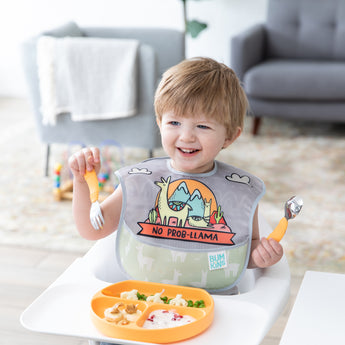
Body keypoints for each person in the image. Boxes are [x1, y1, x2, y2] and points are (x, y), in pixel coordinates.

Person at [69, 57, 283, 295]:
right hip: (145, 300)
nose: (186, 136)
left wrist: (260, 255)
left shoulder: (238, 191)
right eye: (174, 122)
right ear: (160, 123)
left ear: (230, 136)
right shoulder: (140, 181)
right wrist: (81, 181)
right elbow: (91, 229)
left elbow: (244, 251)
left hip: (215, 308)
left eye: (202, 126)